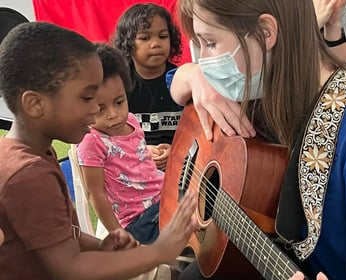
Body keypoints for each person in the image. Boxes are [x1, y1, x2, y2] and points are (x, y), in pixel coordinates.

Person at [169, 0, 346, 279]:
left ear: (267, 33)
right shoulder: (264, 93)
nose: (204, 63)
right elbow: (178, 85)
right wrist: (192, 76)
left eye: (210, 43)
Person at [0, 21, 198, 280]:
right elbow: (70, 269)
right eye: (86, 98)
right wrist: (159, 252)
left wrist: (99, 246)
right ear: (36, 104)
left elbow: (63, 233)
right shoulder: (30, 175)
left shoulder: (31, 152)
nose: (96, 110)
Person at [77, 43, 164, 245]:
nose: (113, 114)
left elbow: (131, 154)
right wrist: (118, 235)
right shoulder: (91, 141)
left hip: (164, 194)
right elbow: (95, 194)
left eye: (119, 102)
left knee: (204, 195)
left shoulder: (131, 120)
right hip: (139, 221)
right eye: (100, 108)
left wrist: (147, 151)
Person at [113, 3, 184, 171]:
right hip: (130, 165)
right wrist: (141, 152)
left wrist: (176, 151)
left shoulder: (183, 80)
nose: (156, 44)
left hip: (182, 166)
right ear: (128, 43)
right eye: (145, 38)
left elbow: (199, 134)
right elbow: (105, 133)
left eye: (163, 36)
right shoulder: (118, 84)